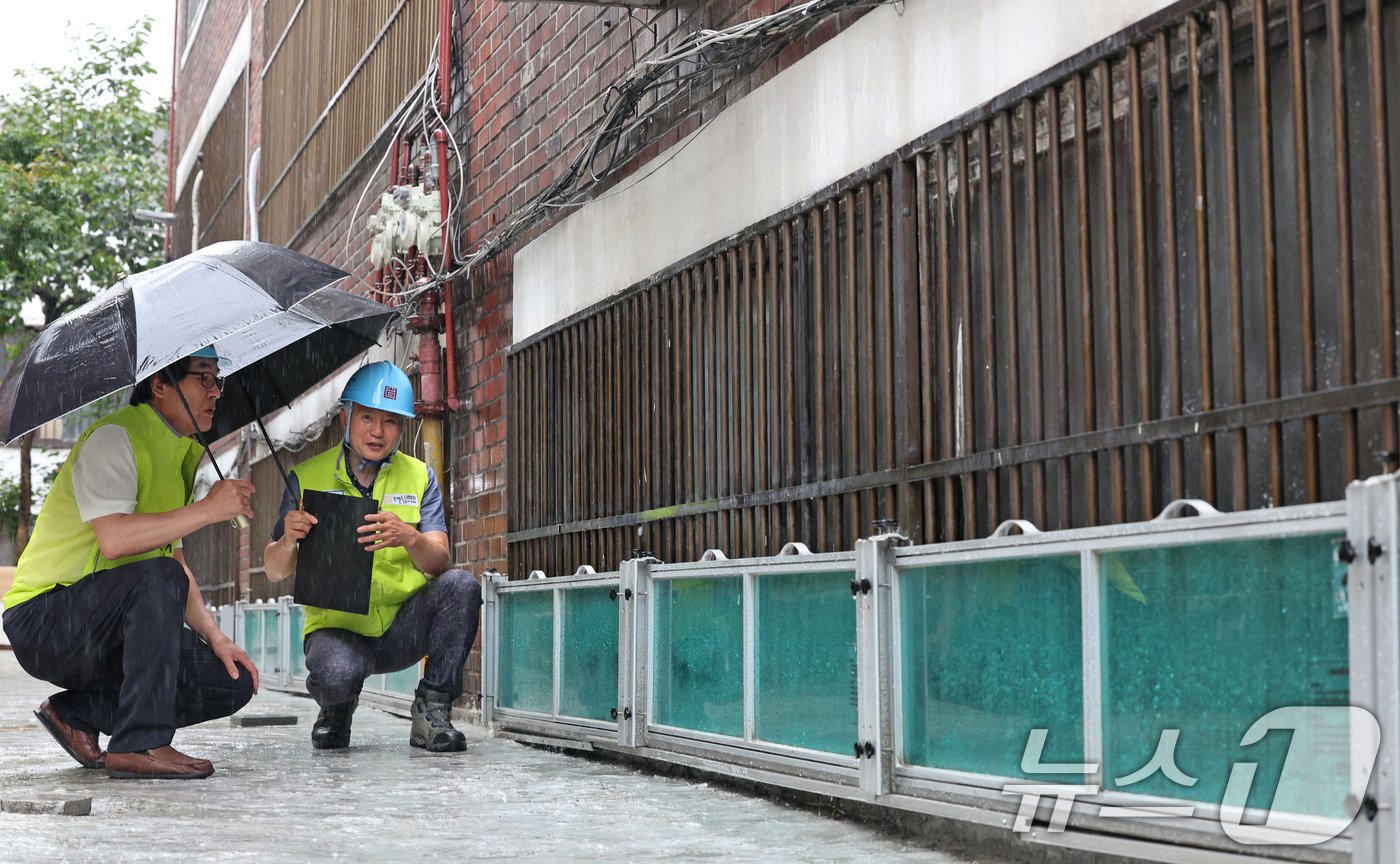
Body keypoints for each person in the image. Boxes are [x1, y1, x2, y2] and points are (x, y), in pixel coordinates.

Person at [1, 347, 259, 780]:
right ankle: (139, 742)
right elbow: (116, 540)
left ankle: (76, 713)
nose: (215, 392)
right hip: (46, 620)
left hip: (111, 626)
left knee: (229, 680)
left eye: (218, 380)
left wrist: (217, 637)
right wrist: (207, 510)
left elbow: (175, 562)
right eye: (203, 378)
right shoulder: (114, 438)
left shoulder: (178, 455)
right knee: (161, 577)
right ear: (160, 385)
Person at [263, 361, 480, 753]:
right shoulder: (305, 477)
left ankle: (432, 710)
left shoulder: (420, 477)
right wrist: (288, 540)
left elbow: (439, 562)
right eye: (366, 417)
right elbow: (274, 570)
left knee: (461, 585)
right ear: (346, 417)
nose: (377, 431)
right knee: (336, 673)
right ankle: (337, 708)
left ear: (402, 427)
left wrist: (409, 537)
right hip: (338, 633)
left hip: (402, 628)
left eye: (391, 421)